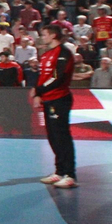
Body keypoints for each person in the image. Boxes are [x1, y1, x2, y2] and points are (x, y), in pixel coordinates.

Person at [32, 24, 78, 188]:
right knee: (53, 137)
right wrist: (39, 94)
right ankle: (59, 172)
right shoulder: (46, 55)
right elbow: (43, 76)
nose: (42, 37)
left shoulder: (63, 53)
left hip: (60, 99)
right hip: (48, 99)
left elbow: (57, 78)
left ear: (53, 36)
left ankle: (70, 175)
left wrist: (39, 90)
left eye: (44, 34)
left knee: (62, 136)